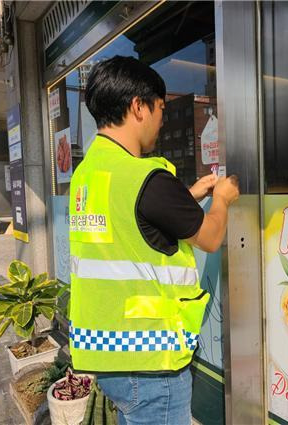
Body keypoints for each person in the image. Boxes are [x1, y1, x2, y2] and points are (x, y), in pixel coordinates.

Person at [68, 55, 239, 425]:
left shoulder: (88, 173)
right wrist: (223, 198)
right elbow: (210, 237)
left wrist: (185, 197)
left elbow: (129, 223)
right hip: (149, 363)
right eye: (160, 108)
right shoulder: (145, 177)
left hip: (106, 355)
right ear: (138, 107)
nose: (162, 120)